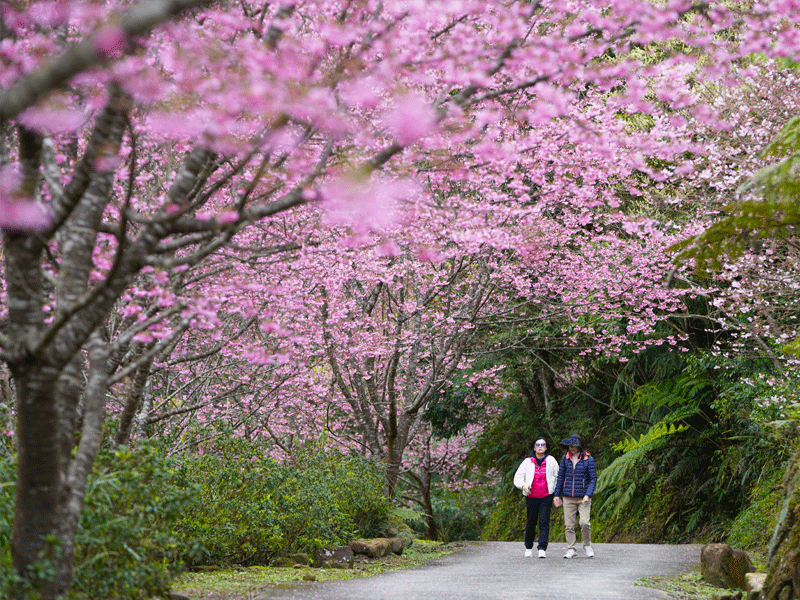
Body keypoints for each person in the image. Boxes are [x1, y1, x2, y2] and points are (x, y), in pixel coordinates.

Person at [513, 436, 559, 558]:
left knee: (544, 522)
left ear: (546, 447)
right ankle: (528, 547)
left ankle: (542, 548)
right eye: (537, 445)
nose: (540, 447)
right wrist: (523, 486)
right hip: (531, 496)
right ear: (534, 447)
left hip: (546, 496)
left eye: (542, 444)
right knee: (531, 522)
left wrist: (556, 494)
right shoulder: (528, 462)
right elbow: (518, 477)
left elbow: (558, 477)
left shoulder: (551, 461)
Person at [553, 434, 597, 559]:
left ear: (580, 446)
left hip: (583, 497)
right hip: (568, 497)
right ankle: (571, 548)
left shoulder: (589, 459)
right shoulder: (565, 459)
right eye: (570, 446)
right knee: (569, 525)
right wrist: (557, 495)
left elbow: (593, 479)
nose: (571, 448)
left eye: (574, 446)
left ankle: (587, 544)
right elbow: (560, 477)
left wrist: (588, 494)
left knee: (584, 523)